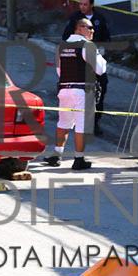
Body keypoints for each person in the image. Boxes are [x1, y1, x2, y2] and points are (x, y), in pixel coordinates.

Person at [45, 18, 106, 170]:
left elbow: (59, 71)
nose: (92, 31)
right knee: (81, 125)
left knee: (63, 123)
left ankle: (56, 154)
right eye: (89, 28)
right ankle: (79, 159)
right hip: (82, 91)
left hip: (64, 89)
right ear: (79, 28)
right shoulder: (87, 45)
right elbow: (100, 69)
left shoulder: (62, 46)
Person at [61, 0, 111, 136]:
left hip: (95, 60)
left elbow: (107, 39)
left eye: (85, 4)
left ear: (91, 5)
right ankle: (76, 123)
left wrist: (100, 51)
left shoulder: (100, 19)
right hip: (79, 64)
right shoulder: (74, 19)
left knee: (100, 91)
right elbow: (65, 39)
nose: (82, 7)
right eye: (80, 4)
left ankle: (95, 123)